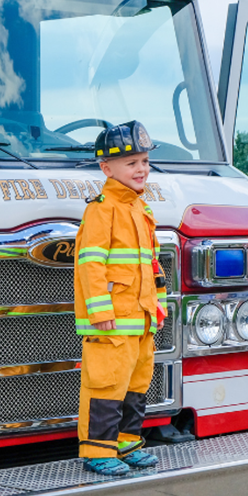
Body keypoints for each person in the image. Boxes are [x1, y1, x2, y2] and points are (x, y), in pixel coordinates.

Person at [73, 120, 167, 476]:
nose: (141, 169)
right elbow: (90, 265)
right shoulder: (102, 209)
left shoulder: (140, 209)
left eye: (144, 161)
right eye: (131, 163)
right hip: (111, 322)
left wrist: (156, 303)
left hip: (139, 320)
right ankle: (98, 450)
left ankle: (127, 443)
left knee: (136, 383)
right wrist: (99, 312)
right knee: (106, 384)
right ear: (106, 168)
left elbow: (151, 264)